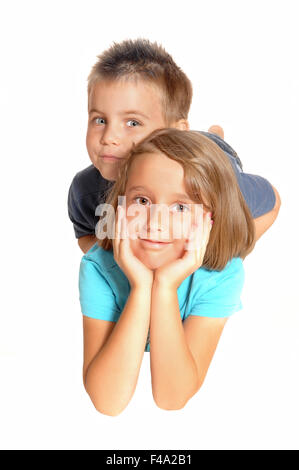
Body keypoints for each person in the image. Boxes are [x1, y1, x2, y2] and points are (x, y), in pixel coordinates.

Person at [79, 128, 256, 416]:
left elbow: (171, 398)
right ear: (121, 205)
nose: (155, 223)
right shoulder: (98, 267)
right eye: (142, 201)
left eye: (180, 206)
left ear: (210, 219)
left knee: (228, 163)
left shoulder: (223, 274)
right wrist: (140, 288)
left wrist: (165, 287)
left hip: (235, 177)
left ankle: (215, 135)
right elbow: (107, 402)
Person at [68, 39, 281, 254]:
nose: (109, 137)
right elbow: (85, 234)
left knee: (214, 140)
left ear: (176, 132)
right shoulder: (84, 190)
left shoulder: (212, 182)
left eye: (132, 123)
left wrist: (227, 258)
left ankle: (215, 134)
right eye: (100, 120)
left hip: (213, 153)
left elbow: (273, 201)